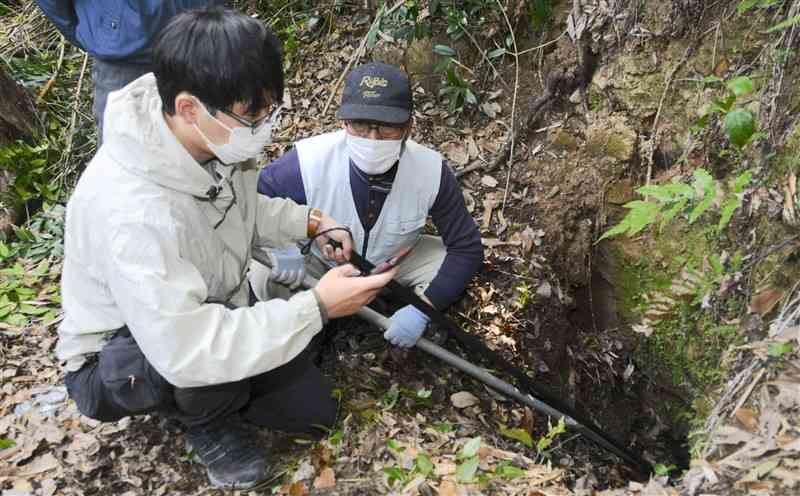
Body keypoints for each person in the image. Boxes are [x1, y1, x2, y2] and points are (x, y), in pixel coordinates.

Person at [57, 7, 395, 490]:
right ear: (190, 107)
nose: (263, 126)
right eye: (251, 114)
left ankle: (226, 391)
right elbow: (186, 345)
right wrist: (318, 307)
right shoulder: (130, 211)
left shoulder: (206, 140)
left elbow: (244, 208)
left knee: (315, 415)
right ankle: (205, 422)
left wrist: (312, 221)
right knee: (209, 365)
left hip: (213, 302)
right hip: (130, 352)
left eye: (269, 110)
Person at [252, 62, 483, 349]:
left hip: (391, 264)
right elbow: (253, 205)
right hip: (321, 266)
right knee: (265, 271)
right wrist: (283, 249)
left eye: (387, 128)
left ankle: (405, 310)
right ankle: (306, 331)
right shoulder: (308, 162)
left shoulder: (431, 172)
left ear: (408, 127)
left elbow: (467, 247)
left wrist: (422, 309)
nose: (373, 139)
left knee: (446, 257)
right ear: (343, 124)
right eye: (361, 125)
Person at [34, 1, 224, 138]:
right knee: (122, 159)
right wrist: (99, 33)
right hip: (124, 57)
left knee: (217, 146)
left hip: (202, 39)